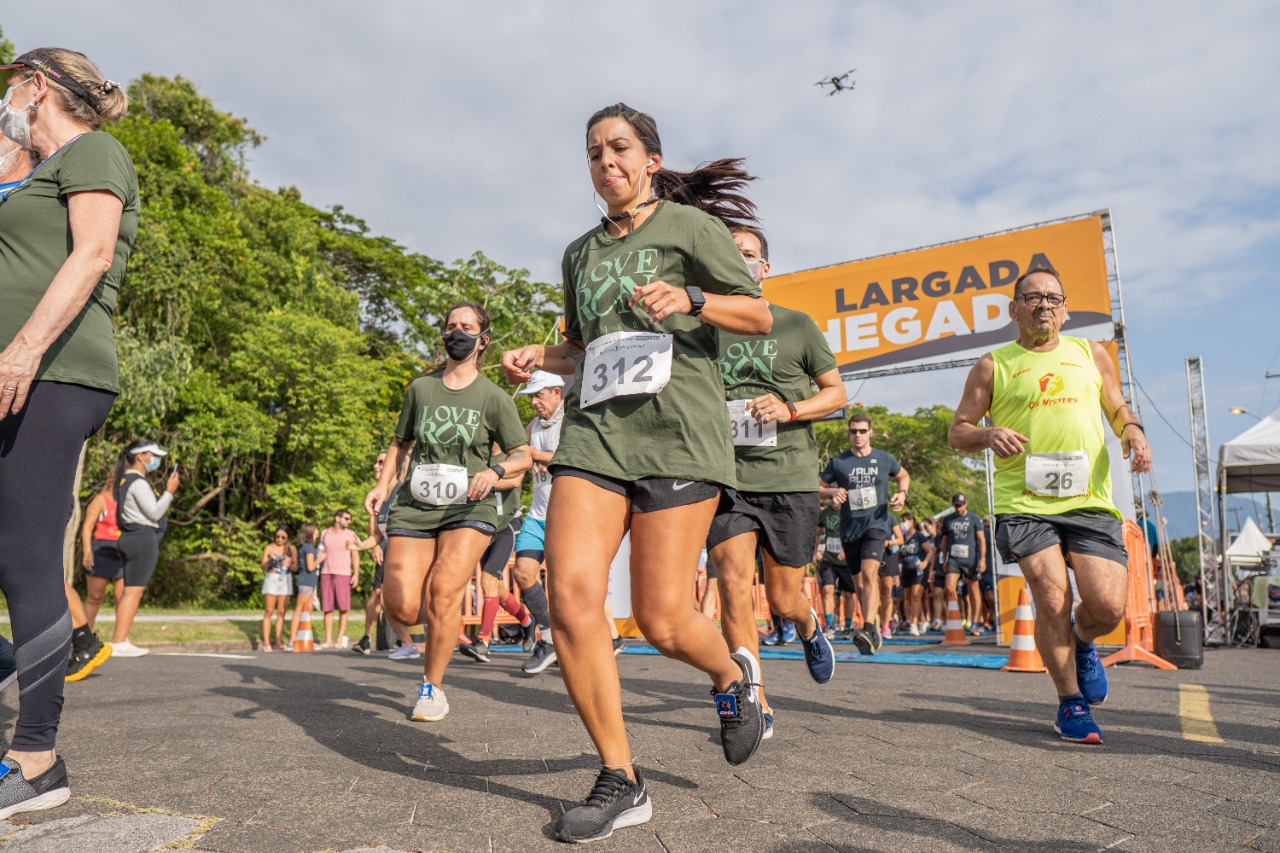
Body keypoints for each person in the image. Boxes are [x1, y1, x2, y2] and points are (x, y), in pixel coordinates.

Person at [501, 103, 772, 843]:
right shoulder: (579, 253)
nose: (604, 161)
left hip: (679, 436)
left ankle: (730, 678)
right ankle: (621, 776)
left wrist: (692, 297)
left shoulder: (692, 230)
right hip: (594, 439)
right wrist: (537, 355)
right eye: (593, 152)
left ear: (651, 159)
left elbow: (757, 315)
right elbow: (583, 348)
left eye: (618, 147)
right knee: (571, 598)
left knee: (662, 618)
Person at [0, 47, 136, 818]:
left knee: (26, 558)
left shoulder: (97, 152)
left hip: (56, 372)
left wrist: (23, 345)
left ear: (36, 85)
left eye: (9, 86)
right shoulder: (31, 168)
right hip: (16, 372)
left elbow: (89, 255)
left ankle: (38, 756)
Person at [949, 265, 1152, 744]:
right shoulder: (991, 364)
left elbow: (1116, 405)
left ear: (1065, 308)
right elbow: (958, 430)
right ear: (1014, 307)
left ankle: (1083, 642)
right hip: (1026, 501)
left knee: (1107, 606)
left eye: (1054, 298)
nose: (1044, 304)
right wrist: (988, 432)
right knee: (1052, 594)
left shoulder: (1090, 352)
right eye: (1033, 297)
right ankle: (1070, 703)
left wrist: (1133, 431)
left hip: (1088, 499)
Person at [707, 223, 845, 731]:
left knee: (785, 599)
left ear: (765, 268)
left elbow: (836, 394)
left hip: (789, 476)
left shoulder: (795, 324)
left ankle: (808, 627)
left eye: (749, 254)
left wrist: (790, 408)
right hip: (728, 477)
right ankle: (755, 701)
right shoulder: (703, 332)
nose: (740, 259)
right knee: (734, 588)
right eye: (731, 253)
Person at [367, 301, 530, 722]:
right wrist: (382, 486)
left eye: (466, 326)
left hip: (469, 506)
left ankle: (431, 688)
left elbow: (522, 454)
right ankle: (441, 621)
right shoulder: (420, 389)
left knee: (443, 590)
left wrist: (494, 471)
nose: (456, 331)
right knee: (400, 605)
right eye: (451, 326)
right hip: (415, 504)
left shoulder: (493, 398)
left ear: (483, 340)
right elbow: (400, 444)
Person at [819, 412, 910, 655]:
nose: (857, 435)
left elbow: (903, 475)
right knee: (859, 583)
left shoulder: (884, 459)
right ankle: (873, 627)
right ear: (849, 433)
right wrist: (830, 493)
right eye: (853, 431)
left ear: (870, 432)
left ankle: (869, 627)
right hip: (849, 530)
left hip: (876, 525)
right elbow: (816, 487)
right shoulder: (839, 463)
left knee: (871, 574)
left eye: (862, 431)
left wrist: (903, 494)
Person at [511, 371, 565, 674]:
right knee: (523, 573)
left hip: (565, 517)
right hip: (536, 515)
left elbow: (563, 460)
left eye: (538, 395)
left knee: (563, 587)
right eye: (531, 396)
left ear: (556, 392)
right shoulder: (533, 426)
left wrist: (531, 453)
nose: (534, 402)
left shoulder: (570, 423)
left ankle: (579, 644)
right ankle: (548, 638)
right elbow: (515, 452)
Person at [460, 448, 532, 663]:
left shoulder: (513, 456)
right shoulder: (478, 456)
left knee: (488, 580)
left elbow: (514, 481)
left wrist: (479, 481)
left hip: (506, 525)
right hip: (483, 525)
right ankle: (527, 622)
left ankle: (483, 642)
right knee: (497, 588)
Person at [111, 440, 179, 656]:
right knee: (134, 591)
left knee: (130, 590)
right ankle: (119, 641)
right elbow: (154, 512)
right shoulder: (138, 482)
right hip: (141, 537)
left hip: (132, 537)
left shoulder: (126, 480)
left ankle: (120, 639)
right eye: (152, 455)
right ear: (140, 456)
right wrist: (169, 491)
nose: (155, 459)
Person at [351, 452, 419, 658]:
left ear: (395, 466)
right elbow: (377, 534)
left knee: (405, 602)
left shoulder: (404, 491)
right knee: (384, 600)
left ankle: (423, 642)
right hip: (391, 556)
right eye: (377, 462)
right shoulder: (379, 497)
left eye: (382, 462)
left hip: (408, 556)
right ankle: (407, 644)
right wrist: (361, 545)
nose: (376, 466)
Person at [78, 482, 124, 629]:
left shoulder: (129, 501)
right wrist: (87, 551)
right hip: (102, 551)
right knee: (95, 597)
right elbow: (87, 527)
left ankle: (120, 640)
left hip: (123, 551)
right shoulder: (101, 500)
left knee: (121, 597)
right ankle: (84, 639)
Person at [940, 494, 986, 635]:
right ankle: (956, 618)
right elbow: (945, 541)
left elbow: (981, 539)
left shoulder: (974, 518)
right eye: (956, 505)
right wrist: (944, 558)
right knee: (949, 588)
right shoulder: (948, 520)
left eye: (960, 505)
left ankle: (975, 622)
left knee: (973, 590)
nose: (958, 508)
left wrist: (982, 559)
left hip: (970, 559)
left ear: (966, 504)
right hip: (954, 559)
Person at [318, 510, 360, 649]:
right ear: (337, 518)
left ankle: (339, 639)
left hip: (343, 574)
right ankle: (328, 639)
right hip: (326, 573)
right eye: (346, 518)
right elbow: (320, 553)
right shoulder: (325, 533)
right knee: (327, 609)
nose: (349, 521)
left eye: (350, 519)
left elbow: (355, 555)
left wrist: (356, 574)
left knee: (343, 608)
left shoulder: (350, 534)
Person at [288, 523, 324, 649]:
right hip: (306, 582)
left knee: (308, 610)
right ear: (310, 532)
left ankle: (304, 637)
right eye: (316, 529)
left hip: (309, 582)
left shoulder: (305, 546)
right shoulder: (308, 548)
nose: (318, 531)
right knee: (300, 610)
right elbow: (310, 566)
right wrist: (321, 558)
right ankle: (292, 639)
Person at [898, 511, 933, 636]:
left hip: (918, 568)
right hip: (906, 568)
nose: (903, 524)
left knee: (916, 595)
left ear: (911, 521)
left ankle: (914, 623)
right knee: (907, 597)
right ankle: (921, 620)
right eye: (901, 521)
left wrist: (925, 562)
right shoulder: (902, 537)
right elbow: (898, 554)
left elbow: (929, 551)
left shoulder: (919, 536)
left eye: (904, 521)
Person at [260, 527, 295, 651]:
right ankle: (266, 642)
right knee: (269, 610)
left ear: (287, 538)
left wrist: (289, 563)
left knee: (281, 612)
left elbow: (296, 567)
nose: (279, 539)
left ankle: (278, 642)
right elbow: (262, 566)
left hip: (285, 579)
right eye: (277, 537)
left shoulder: (291, 549)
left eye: (283, 537)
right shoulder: (269, 548)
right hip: (272, 578)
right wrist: (270, 559)